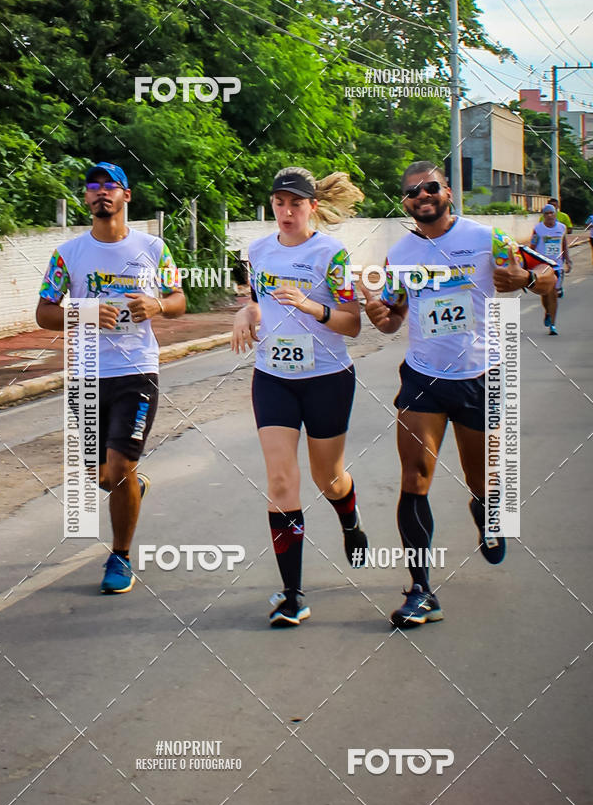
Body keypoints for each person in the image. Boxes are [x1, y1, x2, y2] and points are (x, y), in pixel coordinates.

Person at [363, 160, 555, 629]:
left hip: (478, 377)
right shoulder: (400, 255)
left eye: (430, 187)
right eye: (412, 192)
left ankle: (487, 514)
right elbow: (392, 318)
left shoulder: (486, 239)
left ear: (447, 191)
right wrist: (377, 313)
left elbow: (548, 276)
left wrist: (525, 281)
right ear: (405, 202)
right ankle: (422, 591)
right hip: (423, 379)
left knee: (481, 482)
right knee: (414, 478)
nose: (421, 196)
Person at [36, 161, 186, 593]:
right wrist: (80, 311)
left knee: (118, 466)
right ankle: (131, 486)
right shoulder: (67, 254)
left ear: (126, 196)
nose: (101, 192)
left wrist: (159, 305)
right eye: (93, 186)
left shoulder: (153, 248)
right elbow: (44, 311)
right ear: (85, 197)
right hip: (85, 372)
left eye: (110, 186)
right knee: (99, 475)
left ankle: (119, 556)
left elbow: (178, 298)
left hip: (137, 369)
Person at [232, 166, 368, 627]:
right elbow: (256, 300)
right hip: (273, 377)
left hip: (327, 377)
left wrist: (312, 306)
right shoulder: (259, 249)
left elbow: (353, 322)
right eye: (279, 202)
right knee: (281, 483)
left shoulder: (330, 253)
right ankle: (292, 595)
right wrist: (244, 314)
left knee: (327, 477)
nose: (286, 212)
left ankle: (349, 519)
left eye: (296, 203)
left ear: (313, 206)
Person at [530, 204, 571, 335]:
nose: (549, 215)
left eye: (551, 213)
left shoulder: (561, 228)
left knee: (553, 294)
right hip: (542, 266)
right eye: (546, 213)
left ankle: (552, 325)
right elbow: (532, 245)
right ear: (543, 215)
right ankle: (547, 312)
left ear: (555, 214)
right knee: (545, 294)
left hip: (556, 266)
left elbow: (564, 244)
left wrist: (568, 260)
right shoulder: (538, 229)